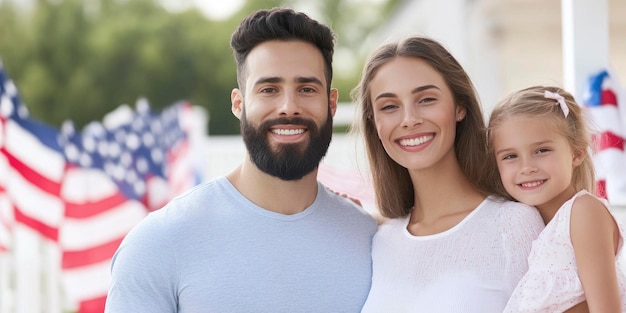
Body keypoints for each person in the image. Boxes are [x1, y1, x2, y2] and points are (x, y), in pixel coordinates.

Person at [104, 8, 377, 313]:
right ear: (239, 103)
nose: (288, 106)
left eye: (306, 89)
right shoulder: (159, 244)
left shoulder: (368, 238)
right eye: (269, 89)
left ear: (331, 103)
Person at [351, 36, 545, 312]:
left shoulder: (512, 225)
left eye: (426, 99)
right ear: (374, 122)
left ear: (459, 107)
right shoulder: (382, 240)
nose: (409, 119)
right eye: (389, 107)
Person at [486, 85, 626, 312]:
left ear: (577, 152)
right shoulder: (530, 228)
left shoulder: (583, 212)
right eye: (510, 156)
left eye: (541, 150)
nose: (527, 167)